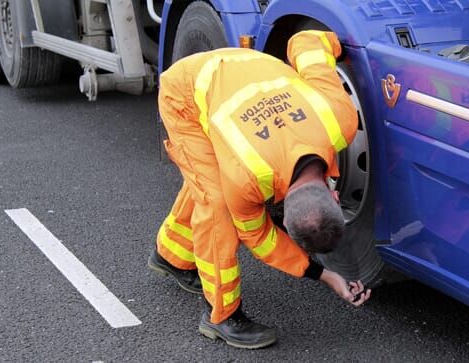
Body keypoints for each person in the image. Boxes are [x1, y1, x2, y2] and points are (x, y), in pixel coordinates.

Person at [148, 30, 371, 349]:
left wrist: (343, 44)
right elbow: (258, 238)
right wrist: (324, 275)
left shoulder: (337, 119)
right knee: (217, 206)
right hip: (185, 92)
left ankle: (172, 254)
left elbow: (307, 41)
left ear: (334, 196)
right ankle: (220, 316)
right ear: (335, 195)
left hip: (244, 68)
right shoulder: (247, 177)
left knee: (209, 181)